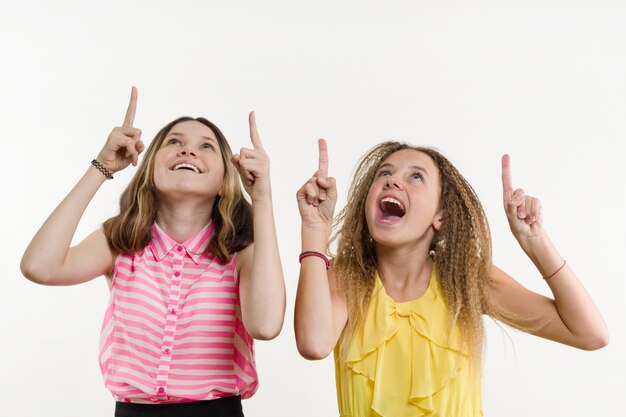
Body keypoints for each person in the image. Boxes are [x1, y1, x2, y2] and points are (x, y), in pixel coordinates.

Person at [21, 87, 286, 417]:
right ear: (149, 168)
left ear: (223, 181)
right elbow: (39, 266)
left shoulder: (242, 253)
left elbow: (266, 325)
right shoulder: (120, 241)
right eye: (174, 142)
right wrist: (101, 167)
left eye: (206, 146)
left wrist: (262, 198)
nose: (188, 150)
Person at [294, 140, 608, 417]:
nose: (392, 183)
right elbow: (314, 343)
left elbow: (590, 334)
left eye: (415, 176)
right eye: (384, 174)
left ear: (440, 216)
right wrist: (313, 229)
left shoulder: (466, 278)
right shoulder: (346, 277)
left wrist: (535, 243)